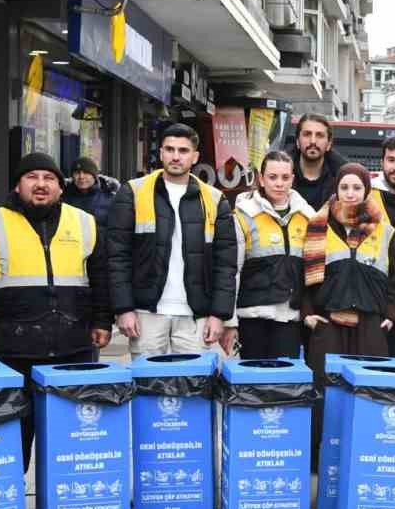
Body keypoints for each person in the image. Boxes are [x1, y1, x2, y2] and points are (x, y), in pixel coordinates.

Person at [0, 153, 113, 470]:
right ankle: (11, 504)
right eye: (32, 177)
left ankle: (65, 507)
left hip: (75, 348)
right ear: (18, 185)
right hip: (14, 350)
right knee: (13, 439)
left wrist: (102, 320)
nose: (41, 185)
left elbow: (102, 276)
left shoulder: (84, 223)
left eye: (49, 178)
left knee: (72, 442)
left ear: (60, 187)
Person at [107, 124, 237, 356]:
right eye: (169, 149)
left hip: (195, 314)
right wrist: (123, 308)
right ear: (161, 153)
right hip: (146, 312)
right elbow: (117, 255)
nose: (176, 156)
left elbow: (226, 264)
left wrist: (219, 315)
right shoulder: (133, 192)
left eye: (183, 151)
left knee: (193, 384)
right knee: (147, 385)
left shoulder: (215, 199)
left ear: (195, 156)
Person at [302, 162, 395, 385]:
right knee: (326, 393)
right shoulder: (319, 225)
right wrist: (307, 314)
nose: (350, 194)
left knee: (369, 392)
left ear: (366, 190)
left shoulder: (385, 230)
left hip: (370, 325)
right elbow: (304, 275)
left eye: (357, 188)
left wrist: (392, 316)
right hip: (329, 324)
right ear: (336, 189)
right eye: (344, 187)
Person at [228, 150, 314, 360]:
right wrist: (229, 322)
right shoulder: (243, 215)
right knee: (253, 384)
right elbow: (231, 271)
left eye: (285, 177)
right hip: (252, 316)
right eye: (272, 177)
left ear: (293, 179)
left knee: (285, 384)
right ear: (261, 178)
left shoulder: (308, 216)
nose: (279, 183)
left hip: (290, 317)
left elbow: (313, 272)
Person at [288, 113, 346, 210]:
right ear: (297, 142)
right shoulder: (280, 175)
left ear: (329, 144)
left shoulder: (343, 178)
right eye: (307, 134)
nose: (313, 141)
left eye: (320, 135)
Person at [65, 156, 118, 226]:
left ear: (94, 176)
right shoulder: (64, 196)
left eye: (86, 173)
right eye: (77, 173)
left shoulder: (110, 196)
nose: (81, 177)